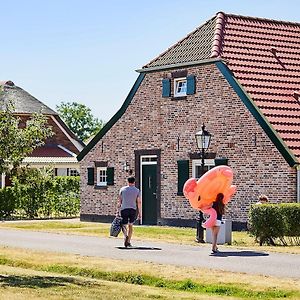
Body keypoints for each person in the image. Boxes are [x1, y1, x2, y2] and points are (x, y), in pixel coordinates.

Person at [117, 176, 141, 248]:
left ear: (127, 181)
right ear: (134, 182)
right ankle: (128, 241)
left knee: (124, 225)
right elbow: (139, 202)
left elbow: (119, 201)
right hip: (132, 209)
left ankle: (125, 236)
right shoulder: (137, 190)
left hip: (124, 209)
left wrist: (117, 211)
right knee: (130, 225)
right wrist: (140, 213)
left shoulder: (122, 189)